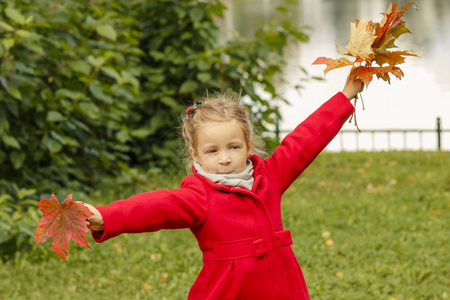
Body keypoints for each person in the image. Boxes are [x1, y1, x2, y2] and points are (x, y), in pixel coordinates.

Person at [83, 75, 364, 299]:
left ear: (248, 145)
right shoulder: (198, 196)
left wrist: (344, 96)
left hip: (283, 288)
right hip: (229, 292)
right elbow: (155, 207)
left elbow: (304, 140)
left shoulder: (271, 176)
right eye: (212, 151)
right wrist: (105, 217)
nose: (226, 158)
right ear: (195, 155)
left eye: (234, 147)